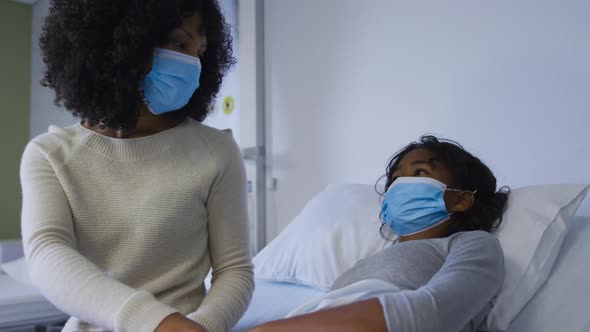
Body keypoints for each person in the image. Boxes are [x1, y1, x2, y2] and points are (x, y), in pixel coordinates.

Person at [19, 1, 253, 332]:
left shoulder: (217, 151)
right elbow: (47, 255)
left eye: (200, 51)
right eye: (179, 43)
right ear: (121, 44)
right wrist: (157, 324)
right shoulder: (49, 155)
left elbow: (236, 271)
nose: (192, 63)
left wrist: (197, 328)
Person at [249, 135, 510, 332]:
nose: (401, 186)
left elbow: (436, 312)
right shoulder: (366, 264)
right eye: (395, 181)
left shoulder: (474, 243)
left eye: (420, 172)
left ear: (462, 199)